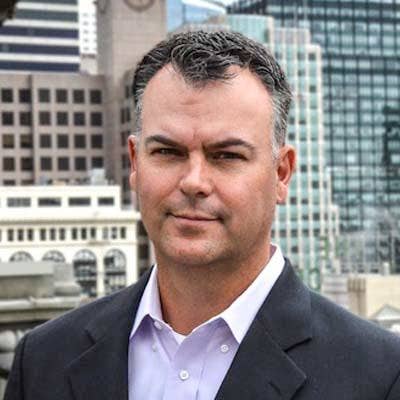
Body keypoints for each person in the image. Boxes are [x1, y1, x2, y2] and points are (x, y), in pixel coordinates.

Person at [5, 30, 400, 400]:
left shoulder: (380, 376)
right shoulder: (42, 360)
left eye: (226, 155)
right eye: (168, 152)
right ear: (135, 163)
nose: (194, 182)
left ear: (281, 174)